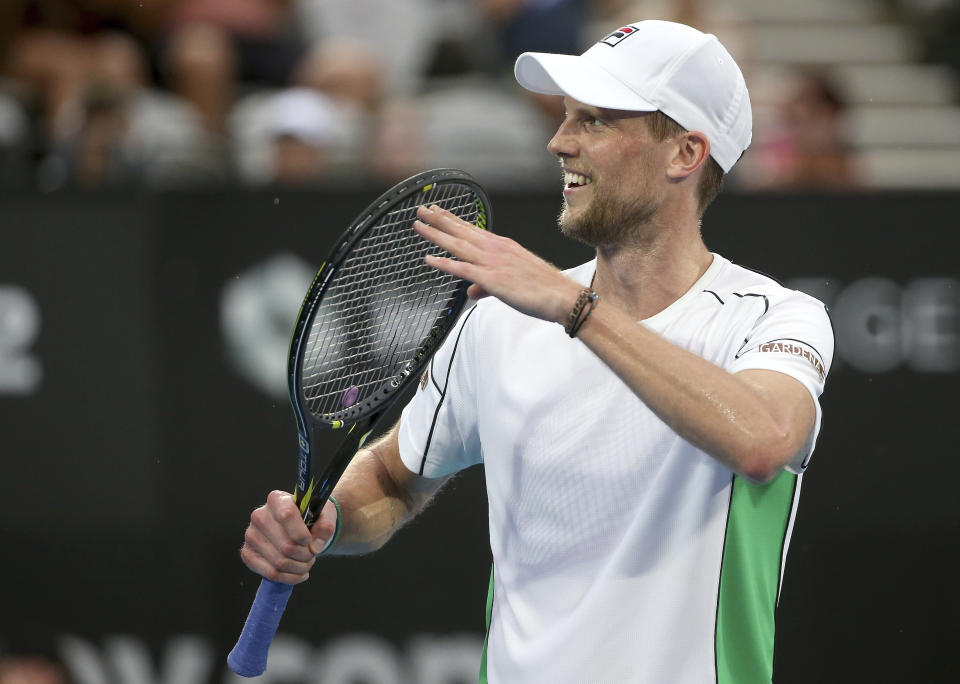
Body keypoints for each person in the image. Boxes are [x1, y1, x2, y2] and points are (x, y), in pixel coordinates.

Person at [240, 19, 834, 684]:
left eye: (595, 121)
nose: (559, 141)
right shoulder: (498, 326)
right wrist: (331, 520)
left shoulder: (775, 317)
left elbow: (763, 440)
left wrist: (573, 308)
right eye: (565, 117)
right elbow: (391, 479)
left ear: (685, 153)